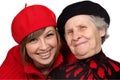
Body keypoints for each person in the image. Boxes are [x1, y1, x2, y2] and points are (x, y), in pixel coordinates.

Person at [47, 1, 120, 79]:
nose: (75, 36)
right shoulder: (58, 76)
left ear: (101, 30)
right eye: (70, 32)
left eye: (82, 27)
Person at [0, 4, 63, 79]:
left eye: (49, 35)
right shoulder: (14, 60)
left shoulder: (72, 49)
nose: (44, 47)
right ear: (23, 46)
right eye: (33, 40)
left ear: (57, 35)